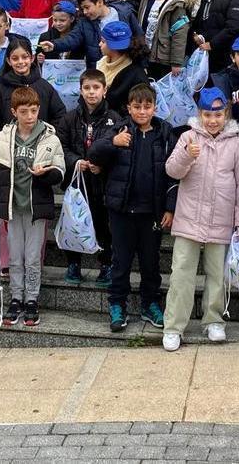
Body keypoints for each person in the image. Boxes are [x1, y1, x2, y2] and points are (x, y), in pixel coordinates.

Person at [161, 88, 239, 351]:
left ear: (226, 114)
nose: (213, 120)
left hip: (221, 220)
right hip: (189, 219)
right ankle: (174, 326)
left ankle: (213, 320)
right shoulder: (188, 137)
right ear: (199, 114)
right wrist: (187, 154)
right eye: (207, 114)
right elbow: (172, 170)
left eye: (218, 114)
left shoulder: (236, 143)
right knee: (181, 274)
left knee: (217, 275)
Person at [88, 83, 176, 333]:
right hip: (121, 210)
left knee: (150, 262)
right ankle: (117, 304)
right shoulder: (119, 129)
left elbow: (174, 174)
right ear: (128, 108)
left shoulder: (165, 132)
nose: (142, 111)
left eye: (147, 106)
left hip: (152, 212)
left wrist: (169, 208)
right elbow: (94, 153)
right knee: (121, 261)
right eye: (137, 107)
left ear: (155, 107)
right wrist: (113, 142)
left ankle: (150, 304)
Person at [0, 86, 66, 326]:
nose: (30, 116)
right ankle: (16, 298)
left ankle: (32, 299)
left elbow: (60, 172)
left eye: (34, 111)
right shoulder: (2, 138)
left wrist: (45, 174)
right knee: (15, 257)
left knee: (32, 257)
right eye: (24, 111)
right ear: (14, 112)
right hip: (12, 207)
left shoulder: (49, 137)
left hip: (35, 208)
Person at [56, 68, 121, 286]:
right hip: (76, 181)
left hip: (102, 183)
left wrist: (102, 165)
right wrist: (76, 161)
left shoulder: (114, 118)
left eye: (96, 88)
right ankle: (73, 264)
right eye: (87, 88)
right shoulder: (69, 118)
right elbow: (61, 147)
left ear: (105, 90)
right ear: (80, 90)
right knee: (74, 221)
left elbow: (117, 149)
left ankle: (106, 264)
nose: (91, 92)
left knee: (102, 224)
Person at [0, 38, 67, 147]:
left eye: (25, 57)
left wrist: (47, 142)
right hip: (7, 151)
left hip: (41, 150)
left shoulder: (45, 87)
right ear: (8, 61)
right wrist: (3, 146)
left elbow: (60, 117)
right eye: (15, 58)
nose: (20, 62)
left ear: (32, 58)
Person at [39, 0, 142, 66]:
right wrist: (55, 45)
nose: (85, 12)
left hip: (123, 66)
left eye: (87, 7)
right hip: (97, 71)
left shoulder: (125, 14)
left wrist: (142, 65)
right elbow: (72, 39)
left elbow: (139, 39)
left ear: (100, 2)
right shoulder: (84, 23)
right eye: (82, 8)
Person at [139, 0, 195, 78]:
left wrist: (176, 62)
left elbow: (179, 34)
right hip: (146, 56)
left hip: (163, 60)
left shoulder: (176, 4)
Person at [97, 21, 150, 113]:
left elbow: (138, 110)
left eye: (103, 41)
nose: (99, 44)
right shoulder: (100, 64)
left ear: (113, 46)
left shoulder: (136, 76)